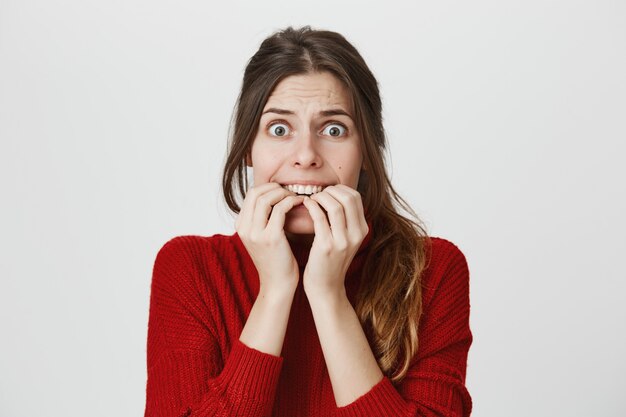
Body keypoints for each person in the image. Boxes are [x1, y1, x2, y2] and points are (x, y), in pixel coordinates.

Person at [144, 26, 473, 417]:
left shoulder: (431, 270)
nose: (306, 156)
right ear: (249, 147)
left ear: (366, 151)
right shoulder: (189, 268)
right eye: (279, 129)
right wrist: (276, 290)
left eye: (334, 129)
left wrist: (328, 294)